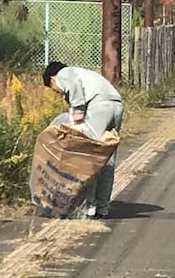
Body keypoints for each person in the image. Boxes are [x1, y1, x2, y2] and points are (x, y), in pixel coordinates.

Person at [42, 61, 123, 219]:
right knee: (107, 159)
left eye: (53, 89)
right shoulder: (85, 74)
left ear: (52, 79)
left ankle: (89, 208)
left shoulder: (65, 73)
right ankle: (103, 207)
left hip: (99, 107)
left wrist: (77, 113)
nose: (57, 93)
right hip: (116, 106)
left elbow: (74, 89)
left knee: (89, 157)